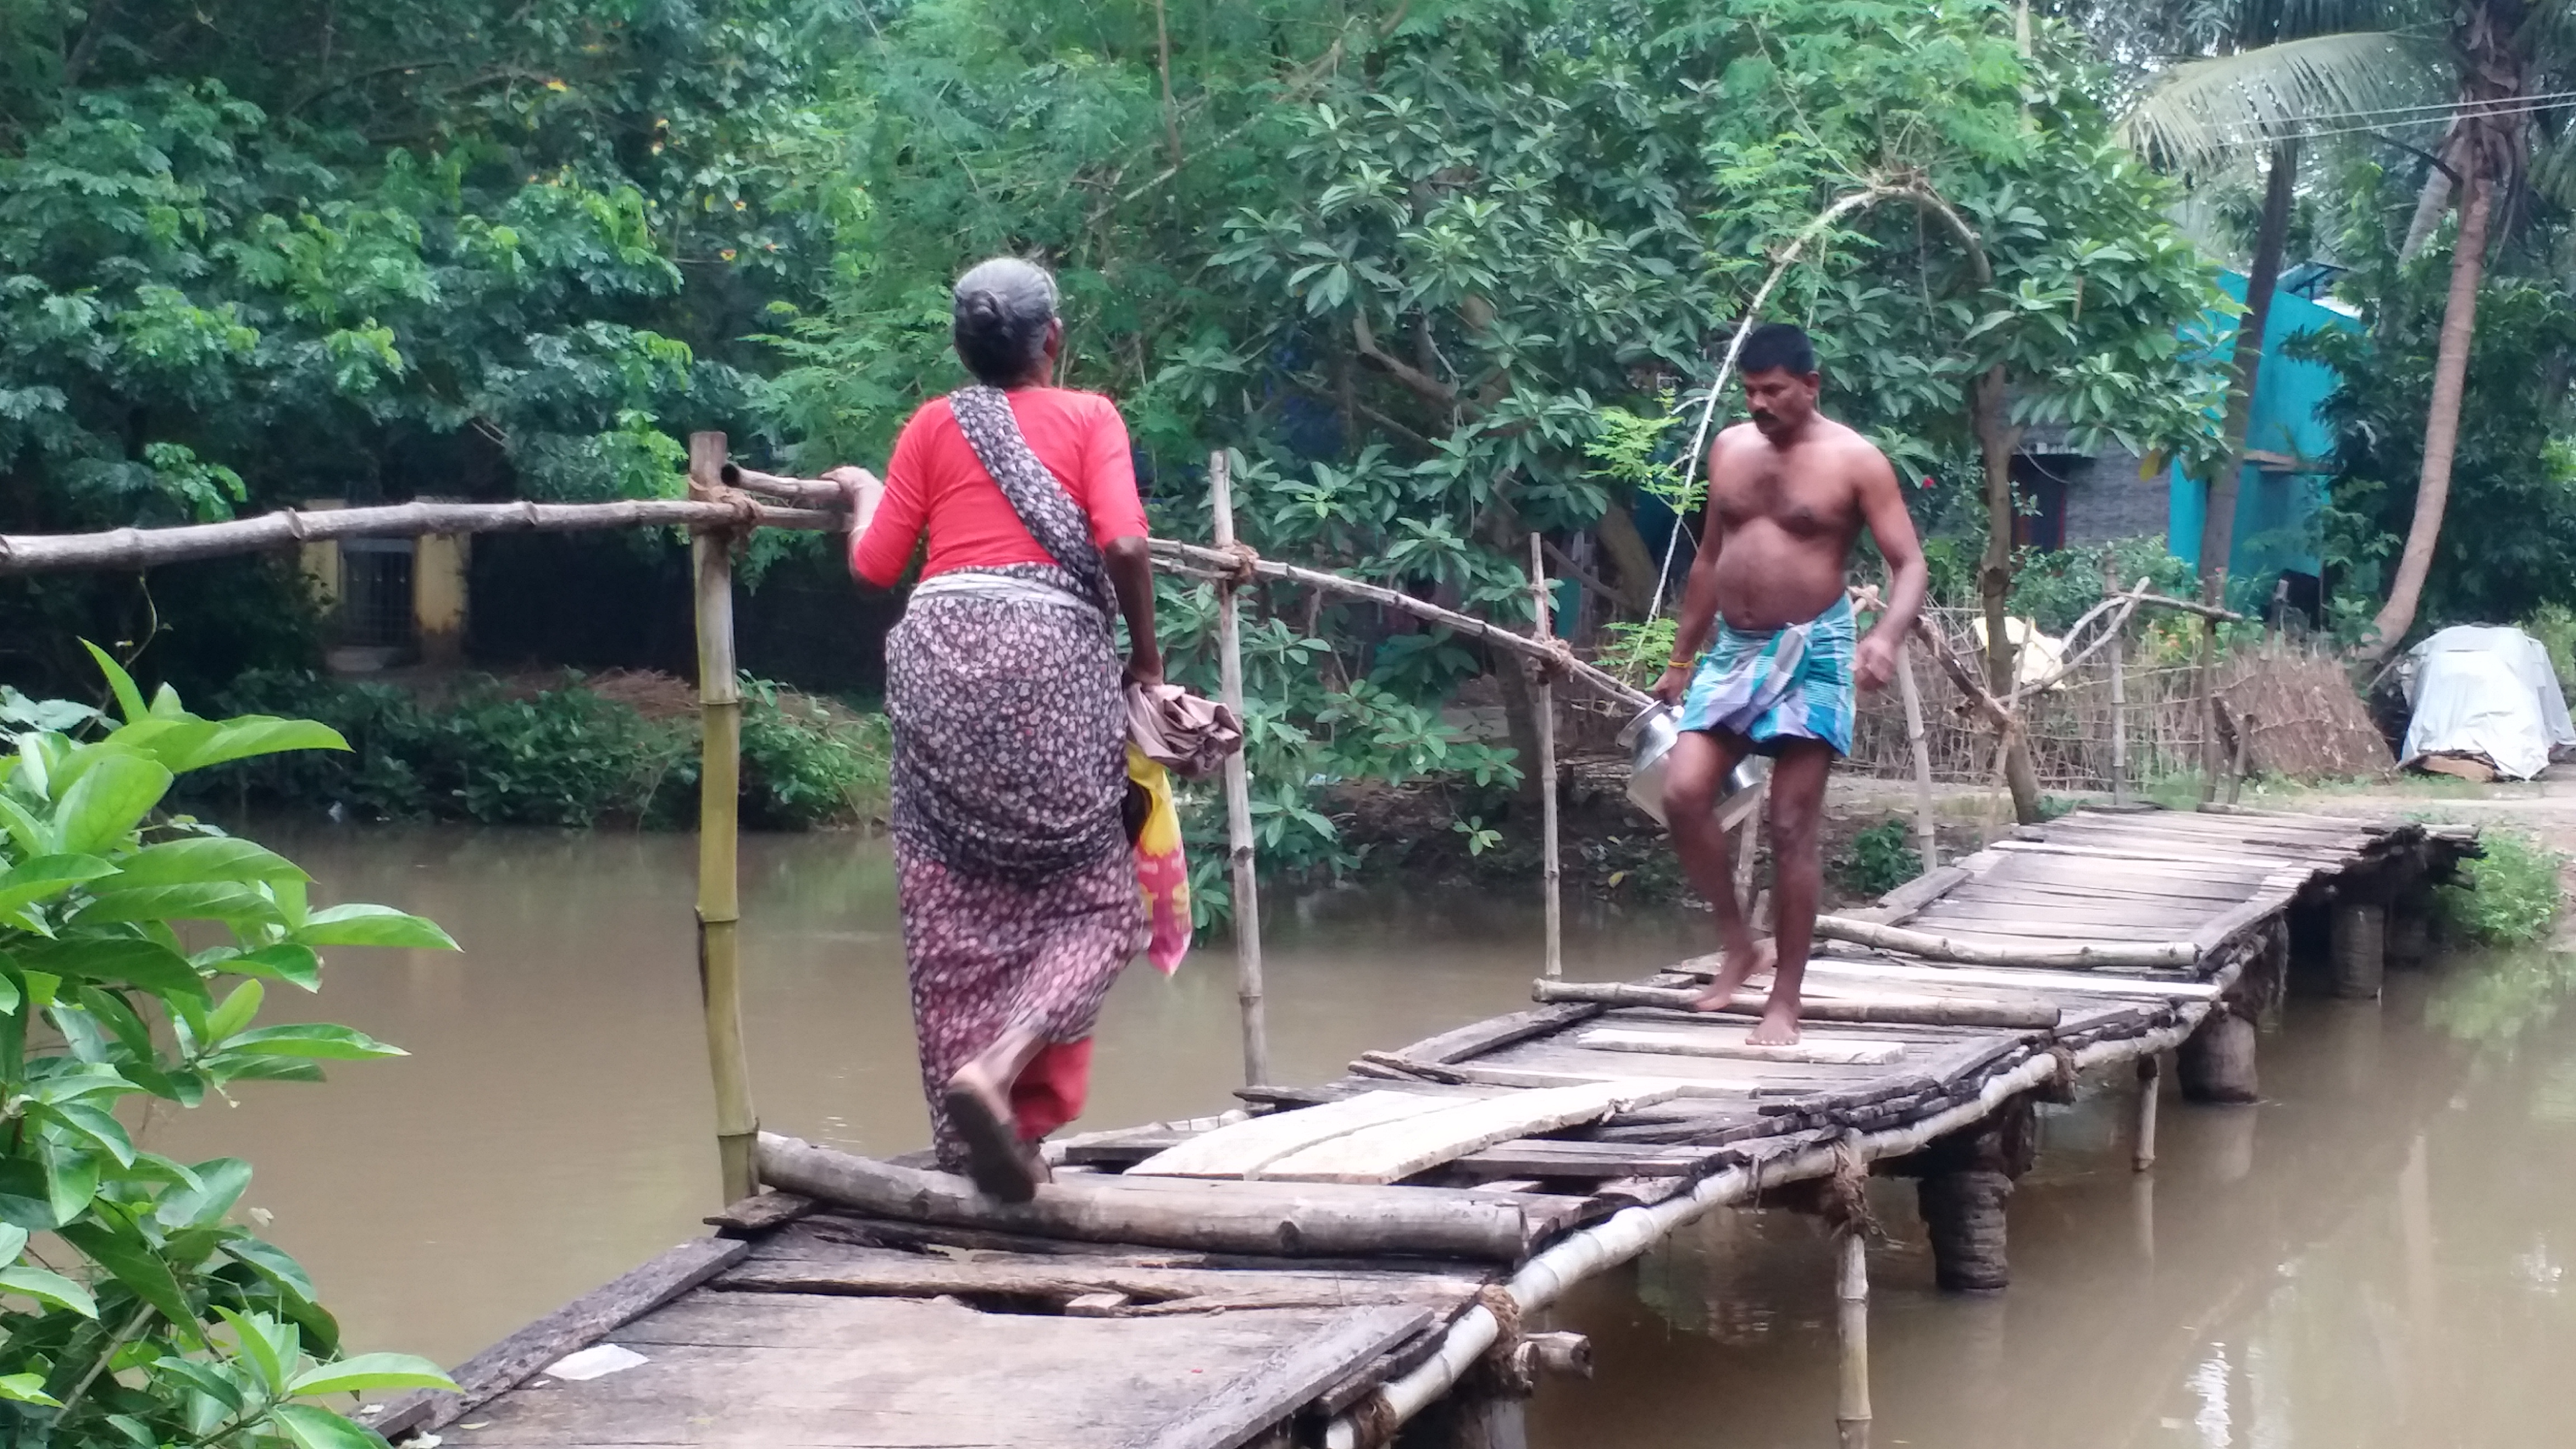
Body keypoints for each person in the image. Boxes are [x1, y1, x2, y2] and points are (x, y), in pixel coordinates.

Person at [831, 257, 1159, 1201]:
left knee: (948, 895)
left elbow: (877, 565)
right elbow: (1127, 543)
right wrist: (1146, 659)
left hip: (936, 655)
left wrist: (860, 495)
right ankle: (1004, 1067)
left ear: (962, 345)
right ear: (1051, 339)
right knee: (1098, 904)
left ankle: (970, 1140)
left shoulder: (933, 425)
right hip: (1051, 657)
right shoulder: (1091, 415)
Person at [1649, 323, 1928, 1045]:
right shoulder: (1730, 449)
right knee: (1682, 792)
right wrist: (1681, 661)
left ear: (1812, 384)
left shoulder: (1856, 461)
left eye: (1774, 391)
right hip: (1734, 649)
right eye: (1750, 392)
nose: (1761, 404)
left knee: (1790, 824)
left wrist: (1886, 637)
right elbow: (1710, 557)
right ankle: (1740, 946)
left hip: (1817, 647)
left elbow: (1910, 565)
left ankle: (1787, 998)